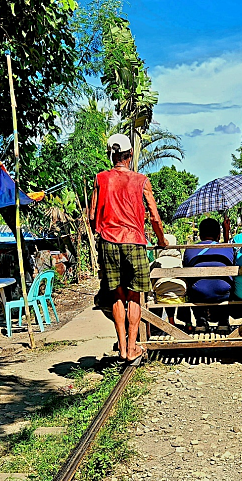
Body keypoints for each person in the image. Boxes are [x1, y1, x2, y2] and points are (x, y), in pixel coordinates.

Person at [90, 133, 167, 364]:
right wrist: (161, 240)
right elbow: (154, 216)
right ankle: (133, 348)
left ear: (111, 155)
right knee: (134, 296)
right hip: (134, 241)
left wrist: (104, 229)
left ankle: (122, 349)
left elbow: (93, 215)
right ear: (130, 154)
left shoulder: (101, 179)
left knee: (117, 296)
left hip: (109, 242)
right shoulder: (142, 181)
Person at [181, 218, 234, 329]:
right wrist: (226, 232)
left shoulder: (189, 249)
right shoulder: (228, 248)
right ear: (218, 235)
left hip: (198, 295)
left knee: (192, 286)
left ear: (200, 235)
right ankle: (223, 321)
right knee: (230, 283)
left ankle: (200, 320)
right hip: (223, 295)